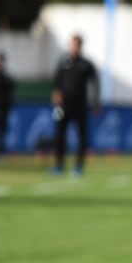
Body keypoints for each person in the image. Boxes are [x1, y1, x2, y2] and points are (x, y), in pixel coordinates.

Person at [51, 33, 100, 176]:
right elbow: (56, 80)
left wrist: (96, 100)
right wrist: (56, 93)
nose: (75, 47)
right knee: (60, 134)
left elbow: (95, 82)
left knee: (82, 136)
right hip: (64, 105)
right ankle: (59, 165)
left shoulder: (86, 64)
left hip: (80, 106)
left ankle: (79, 166)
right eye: (73, 44)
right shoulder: (63, 61)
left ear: (81, 46)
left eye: (77, 44)